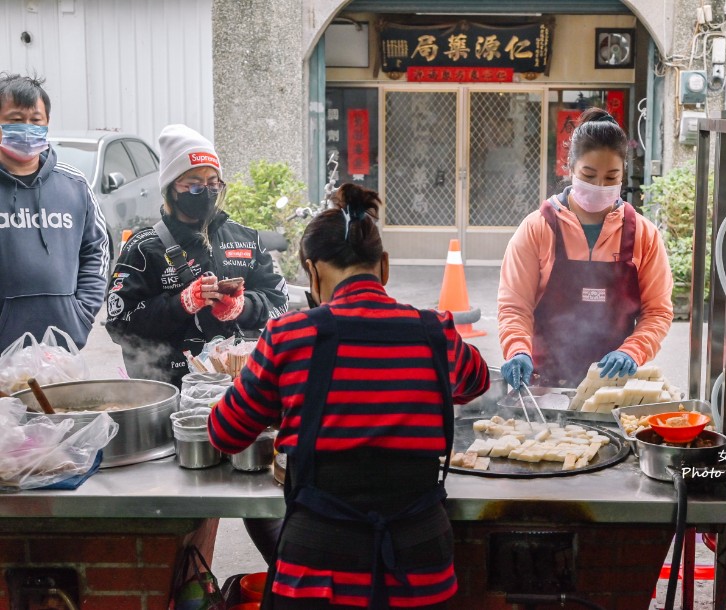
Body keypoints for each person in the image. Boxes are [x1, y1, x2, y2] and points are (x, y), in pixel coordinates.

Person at [208, 183, 490, 610]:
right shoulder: (437, 333)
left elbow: (225, 433)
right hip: (420, 570)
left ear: (312, 272)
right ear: (385, 266)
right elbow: (477, 382)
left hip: (318, 576)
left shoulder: (290, 337)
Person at [497, 107, 673, 389]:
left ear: (623, 176)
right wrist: (518, 349)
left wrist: (631, 351)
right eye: (589, 176)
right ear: (571, 168)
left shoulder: (643, 234)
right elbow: (515, 307)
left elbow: (658, 312)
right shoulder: (538, 228)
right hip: (543, 384)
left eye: (611, 177)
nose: (599, 186)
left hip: (612, 386)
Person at [104, 124, 288, 387]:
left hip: (240, 387)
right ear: (171, 188)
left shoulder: (246, 239)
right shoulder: (144, 247)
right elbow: (119, 323)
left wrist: (241, 307)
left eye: (213, 183)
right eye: (193, 185)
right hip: (169, 388)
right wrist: (182, 303)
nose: (205, 191)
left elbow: (278, 302)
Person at [0, 73, 109, 351]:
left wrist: (81, 316)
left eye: (35, 121)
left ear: (47, 124)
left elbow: (97, 250)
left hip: (63, 348)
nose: (26, 128)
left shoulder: (74, 185)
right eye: (14, 120)